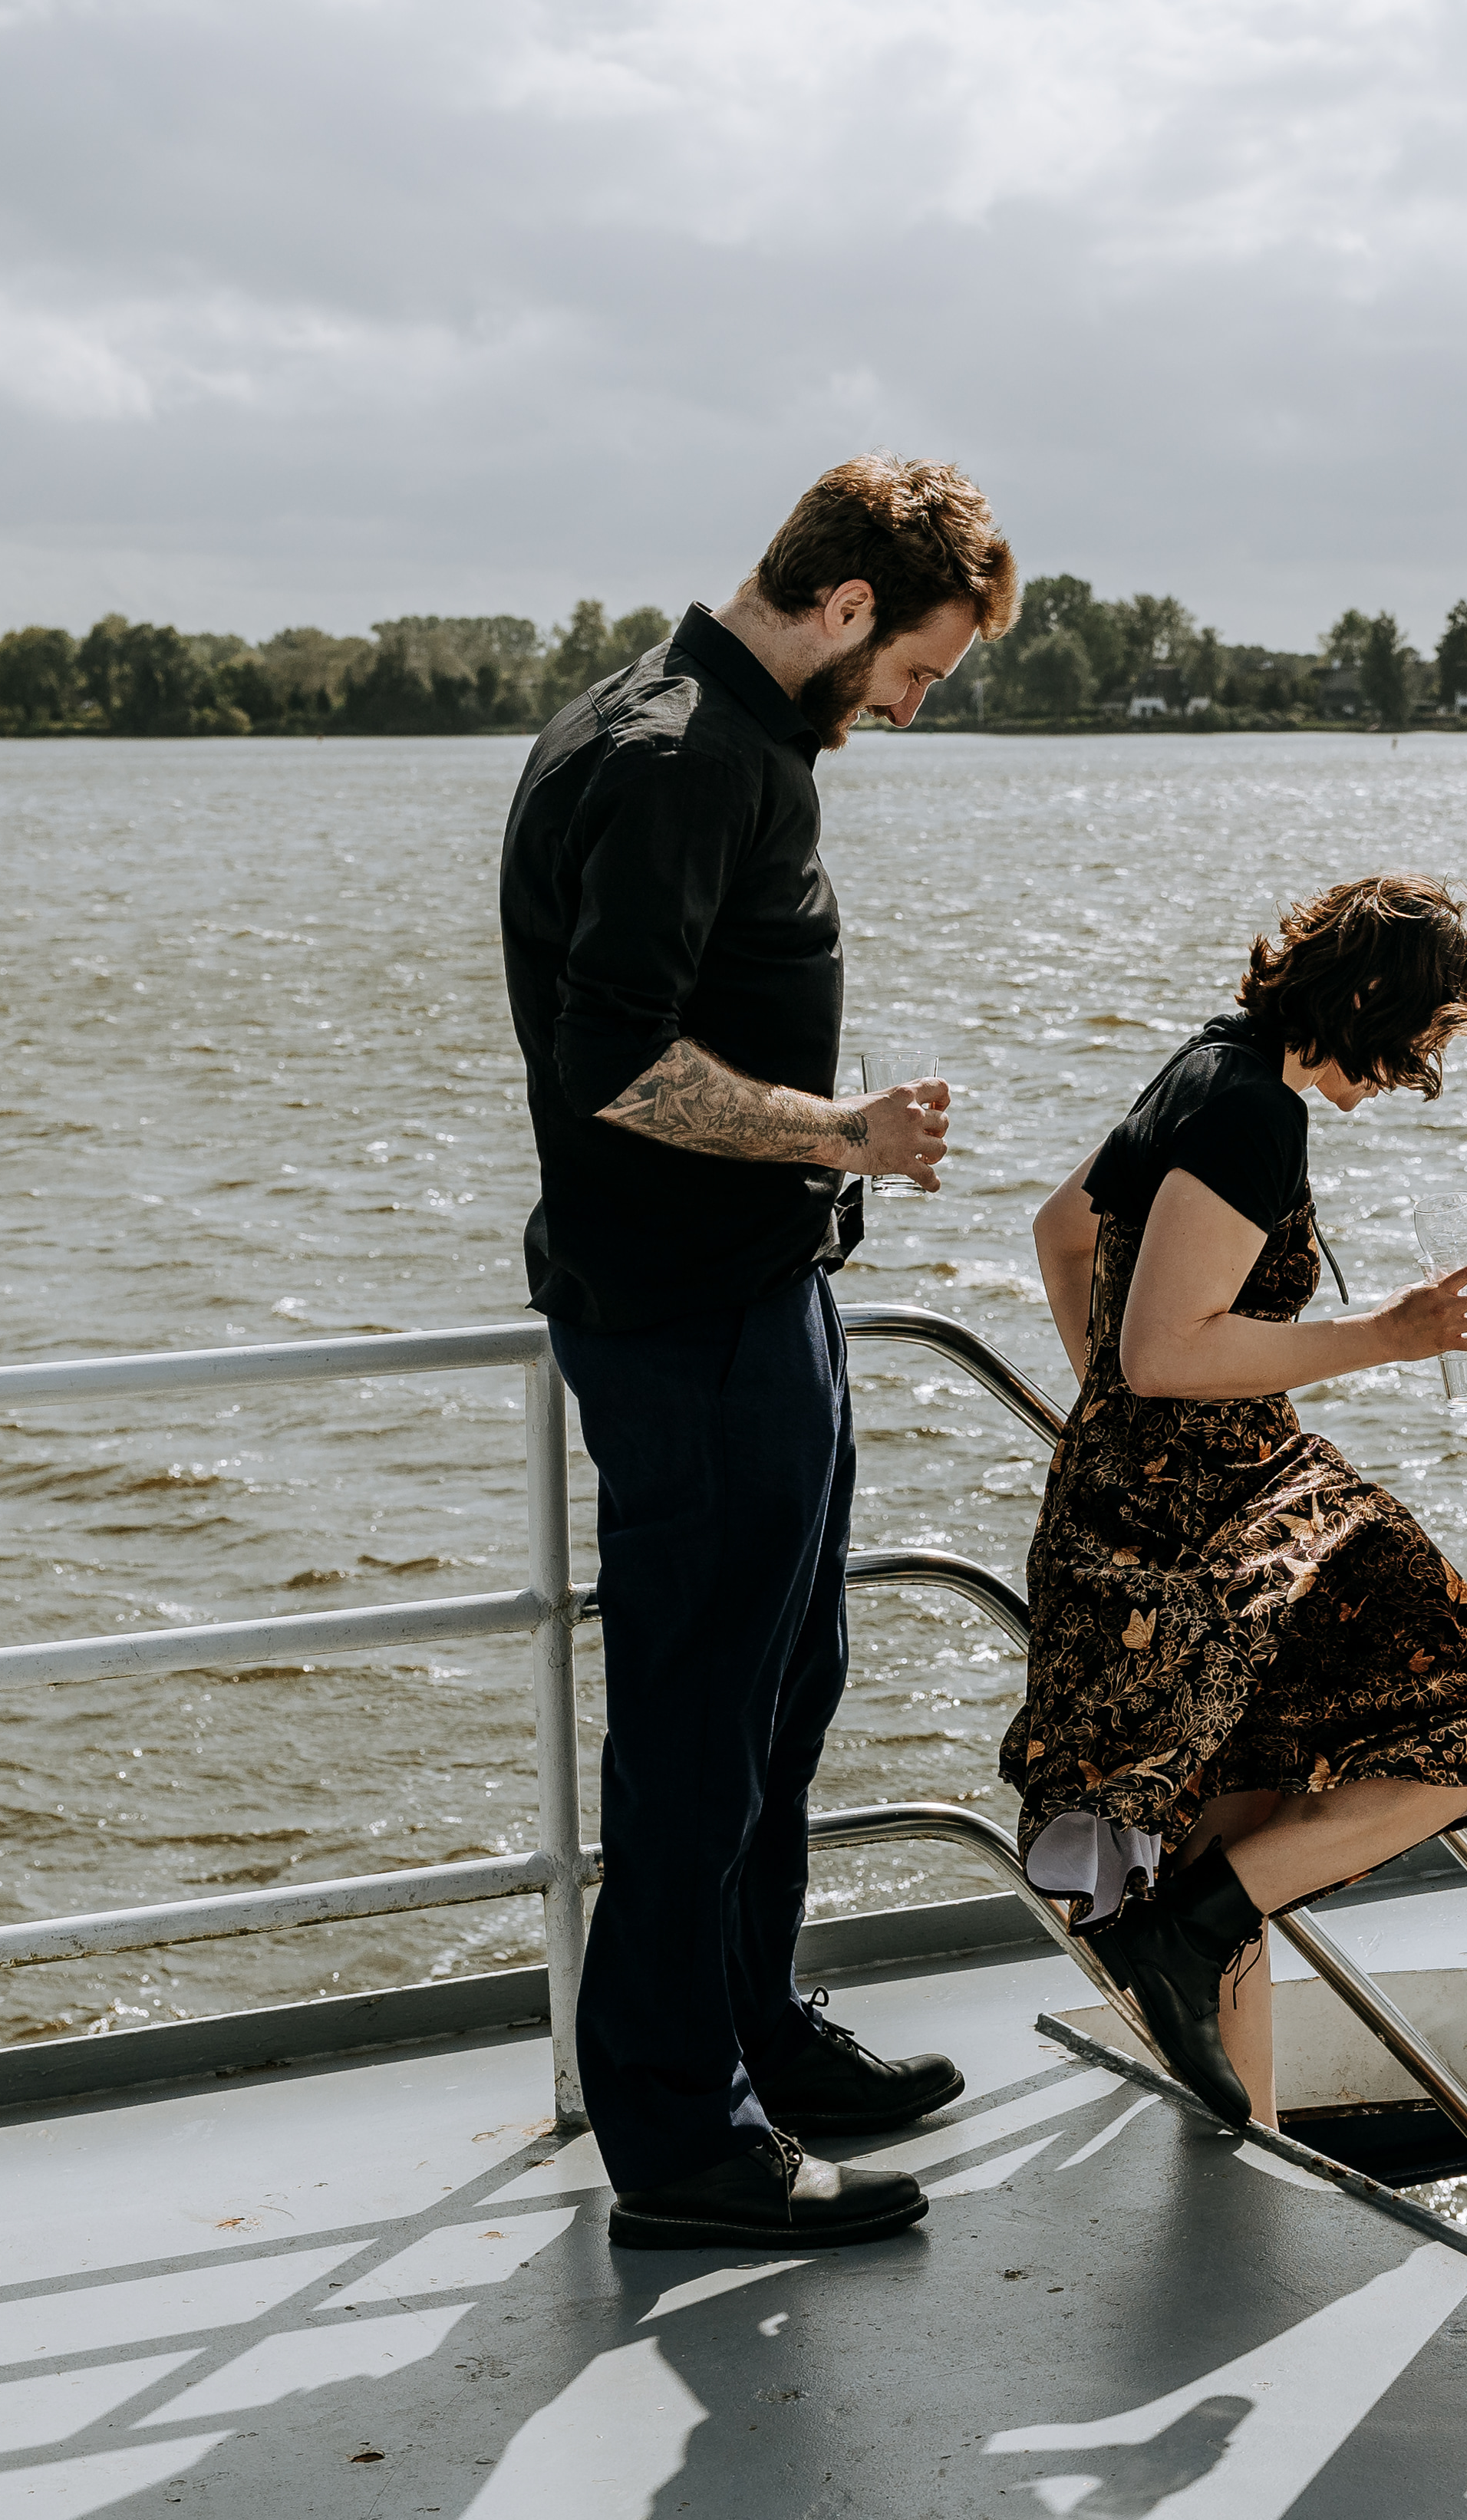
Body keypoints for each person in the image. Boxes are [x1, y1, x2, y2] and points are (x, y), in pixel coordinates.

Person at [498, 454, 1018, 2249]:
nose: (911, 706)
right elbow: (616, 1061)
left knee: (784, 1688)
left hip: (753, 1293)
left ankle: (751, 2031)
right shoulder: (678, 757)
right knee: (699, 1727)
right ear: (849, 604)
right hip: (687, 1318)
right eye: (917, 669)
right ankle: (684, 2140)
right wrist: (843, 1130)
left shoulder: (709, 733)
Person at [1011, 875, 1467, 2126]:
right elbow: (1164, 1350)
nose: (1419, 1070)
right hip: (1209, 1527)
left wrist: (1124, 1434)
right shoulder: (1254, 1112)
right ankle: (1188, 1927)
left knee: (1231, 1818)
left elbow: (1062, 1234)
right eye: (1425, 1034)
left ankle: (1255, 2138)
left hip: (1135, 1519)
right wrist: (1389, 1334)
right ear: (1367, 996)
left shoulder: (1206, 1066)